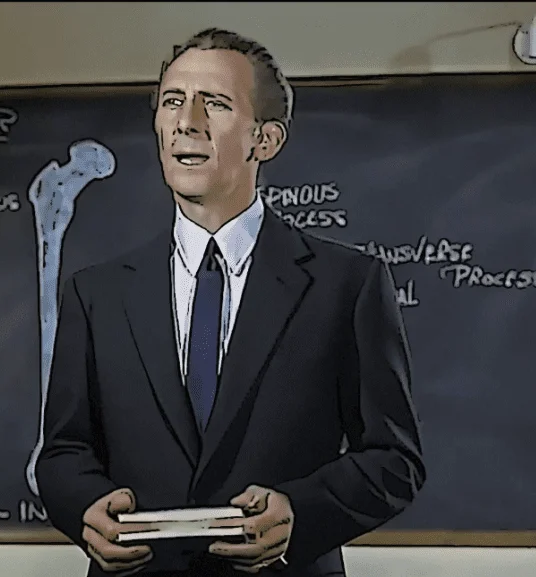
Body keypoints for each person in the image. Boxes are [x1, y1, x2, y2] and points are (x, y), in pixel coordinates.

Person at [35, 27, 426, 576]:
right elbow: (62, 453)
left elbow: (395, 460)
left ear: (265, 140)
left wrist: (300, 514)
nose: (186, 121)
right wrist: (84, 509)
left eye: (214, 103)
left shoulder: (348, 286)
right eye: (173, 101)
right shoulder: (95, 293)